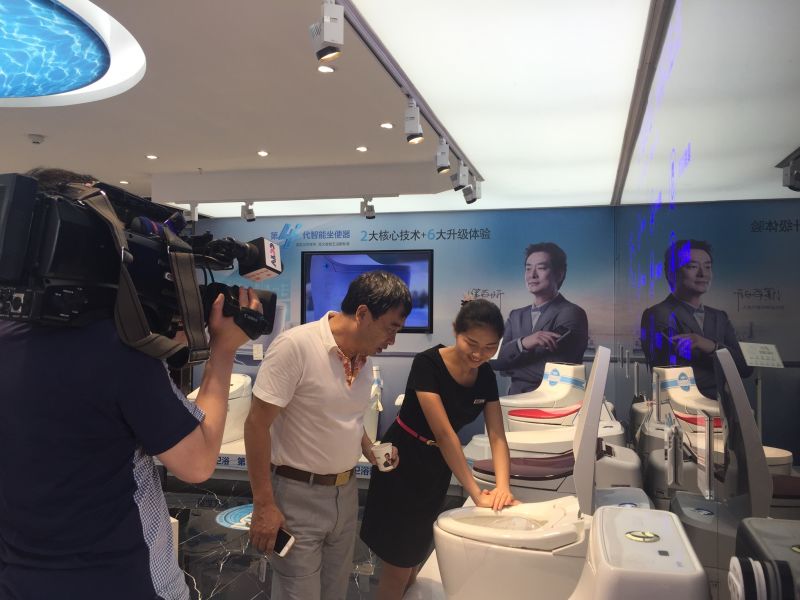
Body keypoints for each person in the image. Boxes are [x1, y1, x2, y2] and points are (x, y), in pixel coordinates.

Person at [0, 168, 261, 600]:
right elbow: (196, 463)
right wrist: (223, 351)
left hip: (20, 580)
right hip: (122, 581)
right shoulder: (116, 352)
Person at [244, 270, 411, 600]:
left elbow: (348, 417)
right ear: (362, 314)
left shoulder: (363, 360)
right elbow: (256, 425)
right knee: (298, 593)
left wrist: (370, 448)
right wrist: (263, 504)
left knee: (335, 592)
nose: (392, 340)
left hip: (345, 495)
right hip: (296, 495)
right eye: (390, 328)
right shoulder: (296, 346)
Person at [360, 299, 516, 600]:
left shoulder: (485, 375)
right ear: (456, 330)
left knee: (414, 557)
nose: (478, 354)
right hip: (403, 462)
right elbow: (444, 434)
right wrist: (476, 493)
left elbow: (497, 436)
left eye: (490, 347)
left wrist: (503, 488)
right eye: (472, 343)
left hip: (436, 468)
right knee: (398, 564)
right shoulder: (427, 363)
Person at [640, 239, 752, 398]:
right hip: (682, 407)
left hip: (723, 407)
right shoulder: (658, 314)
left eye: (707, 267)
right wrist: (725, 365)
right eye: (692, 266)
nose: (703, 274)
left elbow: (745, 368)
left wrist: (709, 345)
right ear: (671, 273)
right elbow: (673, 375)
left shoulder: (719, 316)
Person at [491, 242, 589, 394]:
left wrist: (509, 368)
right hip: (513, 401)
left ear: (559, 274)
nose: (532, 275)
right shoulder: (516, 315)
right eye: (528, 268)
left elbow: (557, 372)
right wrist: (523, 343)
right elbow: (494, 360)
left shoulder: (572, 313)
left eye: (541, 268)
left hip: (552, 402)